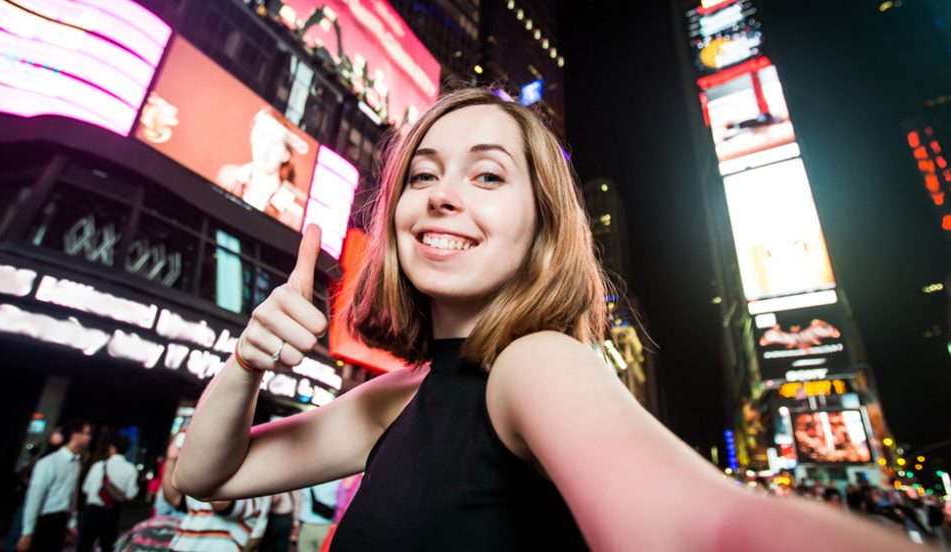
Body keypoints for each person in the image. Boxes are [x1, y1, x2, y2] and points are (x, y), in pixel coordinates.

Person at [173, 88, 919, 550]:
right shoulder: (402, 397)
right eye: (423, 174)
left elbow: (702, 528)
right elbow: (210, 474)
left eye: (488, 174)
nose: (441, 194)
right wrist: (245, 362)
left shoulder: (534, 365)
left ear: (541, 225)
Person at [216, 107, 311, 230]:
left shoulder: (294, 211)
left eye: (275, 142)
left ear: (286, 154)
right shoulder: (227, 176)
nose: (266, 149)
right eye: (262, 136)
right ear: (252, 137)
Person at [18, 420, 92, 552]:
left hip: (60, 521)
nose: (89, 437)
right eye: (86, 433)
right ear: (75, 436)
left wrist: (72, 521)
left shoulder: (76, 463)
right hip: (44, 521)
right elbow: (34, 497)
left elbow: (72, 494)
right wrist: (28, 531)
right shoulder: (48, 462)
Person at [76, 434, 139, 552]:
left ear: (112, 448)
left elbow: (86, 488)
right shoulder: (131, 469)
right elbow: (131, 494)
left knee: (84, 544)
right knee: (107, 545)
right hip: (112, 511)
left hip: (92, 510)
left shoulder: (99, 466)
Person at [296, 480, 338, 552]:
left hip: (307, 525)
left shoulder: (309, 478)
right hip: (327, 526)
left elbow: (300, 501)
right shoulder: (337, 480)